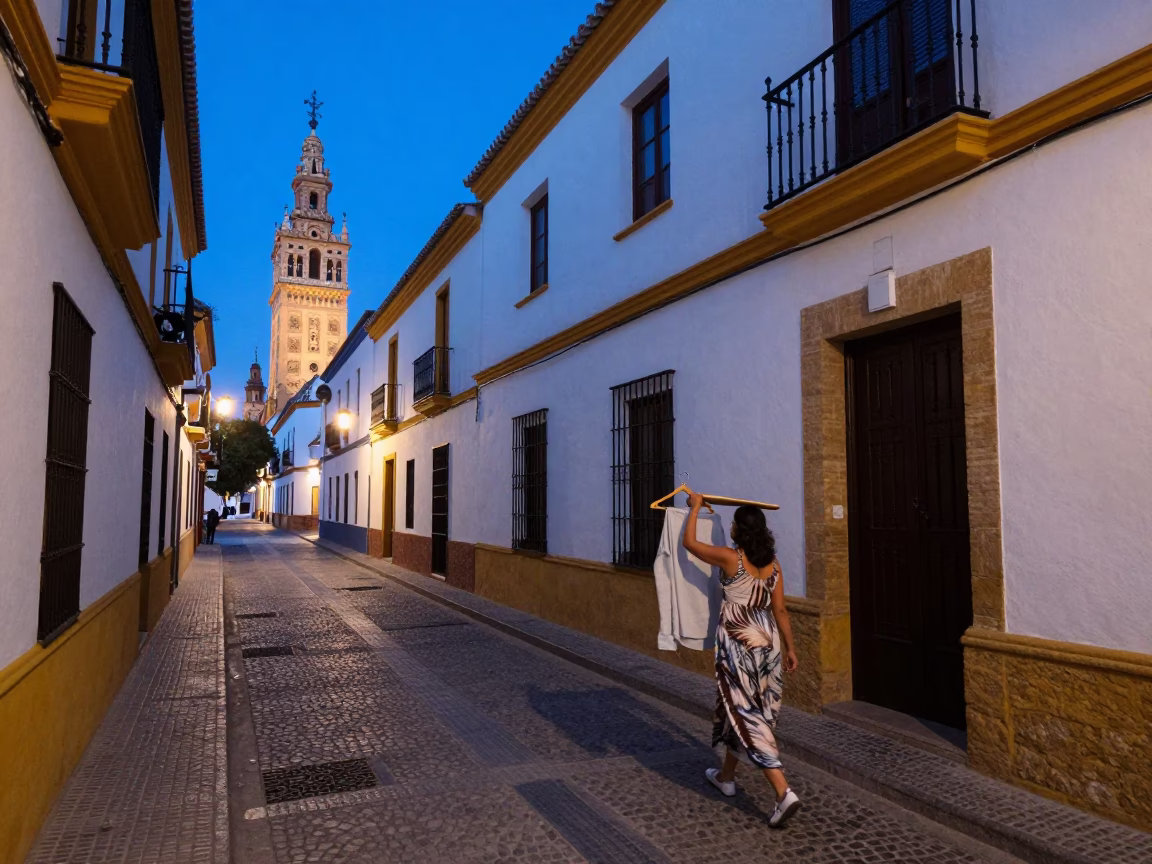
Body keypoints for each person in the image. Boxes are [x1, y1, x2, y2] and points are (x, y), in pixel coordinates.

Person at [682, 492, 801, 828]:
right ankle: (726, 777)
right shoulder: (773, 564)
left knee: (746, 713)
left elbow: (690, 543)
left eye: (733, 523)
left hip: (739, 643)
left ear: (740, 531)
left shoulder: (731, 558)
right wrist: (791, 649)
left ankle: (782, 791)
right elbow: (780, 610)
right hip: (769, 642)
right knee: (740, 708)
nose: (730, 526)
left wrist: (693, 510)